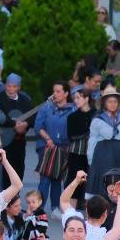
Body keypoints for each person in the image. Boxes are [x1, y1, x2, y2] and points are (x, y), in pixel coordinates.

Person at [34, 82, 75, 214]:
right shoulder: (46, 107)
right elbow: (38, 127)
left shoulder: (72, 109)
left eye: (58, 91)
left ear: (66, 93)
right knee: (45, 177)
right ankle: (38, 207)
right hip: (47, 146)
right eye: (54, 91)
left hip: (64, 147)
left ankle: (55, 207)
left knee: (57, 177)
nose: (55, 94)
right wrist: (48, 138)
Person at [0, 73, 34, 180]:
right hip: (3, 140)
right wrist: (13, 124)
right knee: (4, 169)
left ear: (18, 87)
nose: (11, 89)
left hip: (19, 140)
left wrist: (26, 125)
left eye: (14, 86)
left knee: (19, 167)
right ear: (5, 85)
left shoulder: (25, 99)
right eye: (9, 86)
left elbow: (32, 116)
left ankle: (16, 193)